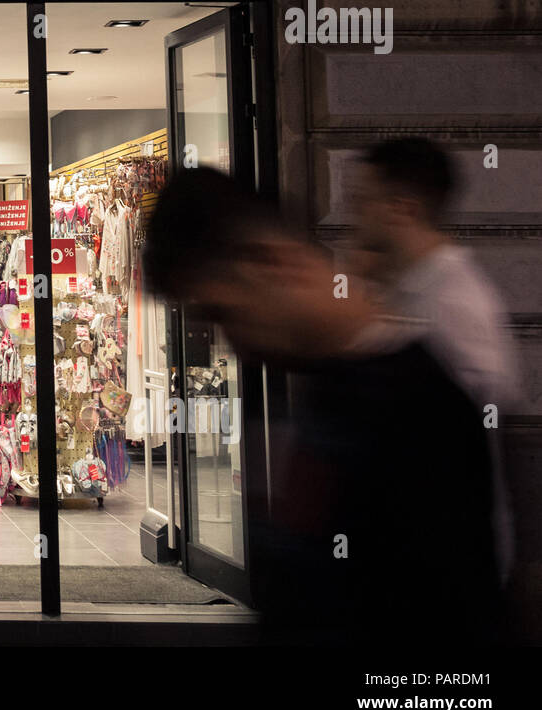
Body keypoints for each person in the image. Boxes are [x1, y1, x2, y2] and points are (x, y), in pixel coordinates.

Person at [143, 167, 501, 645]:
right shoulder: (326, 388)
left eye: (225, 313)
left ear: (264, 264)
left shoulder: (417, 405)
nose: (235, 344)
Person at [351, 136, 522, 587]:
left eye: (363, 201)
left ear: (402, 207)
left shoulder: (452, 300)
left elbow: (472, 437)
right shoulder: (412, 290)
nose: (354, 215)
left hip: (443, 564)